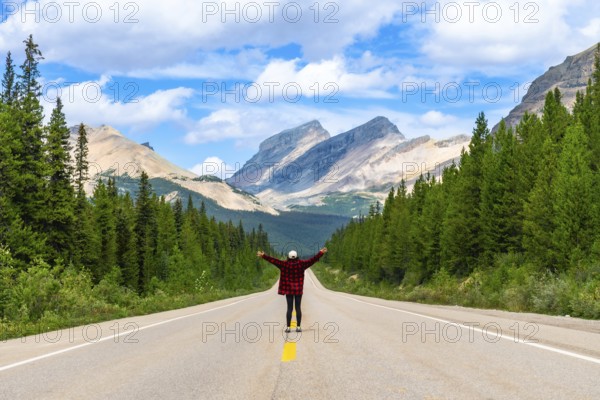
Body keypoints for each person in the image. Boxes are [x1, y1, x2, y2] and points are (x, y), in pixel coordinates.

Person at [257, 247, 327, 333]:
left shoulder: (284, 264)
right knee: (298, 308)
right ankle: (298, 327)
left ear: (288, 257)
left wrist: (264, 256)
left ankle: (288, 328)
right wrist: (321, 253)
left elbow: (273, 261)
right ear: (297, 256)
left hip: (288, 290)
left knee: (289, 308)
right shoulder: (302, 264)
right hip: (298, 290)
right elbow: (312, 260)